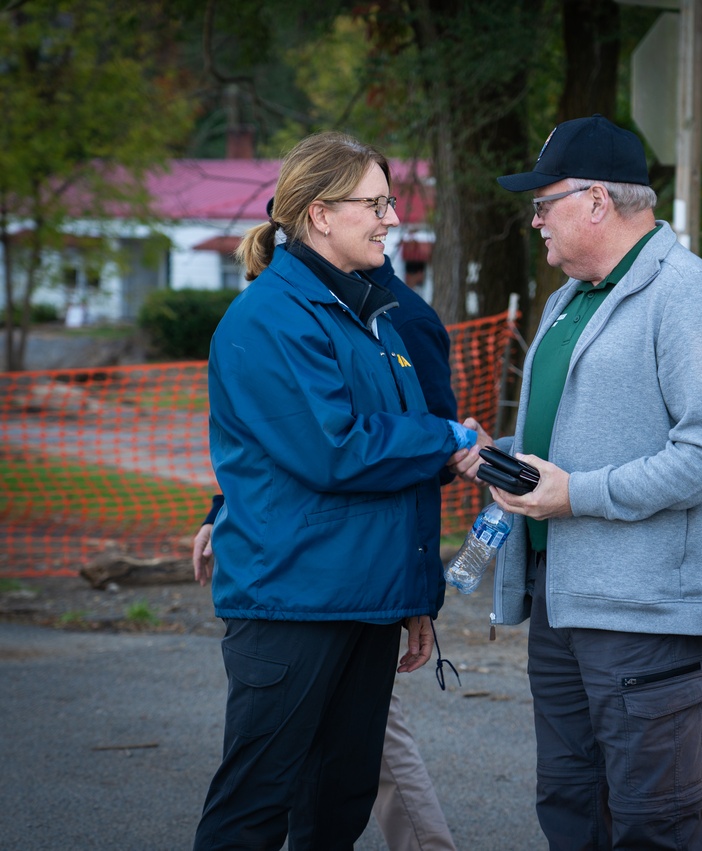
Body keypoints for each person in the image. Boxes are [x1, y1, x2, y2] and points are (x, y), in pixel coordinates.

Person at [451, 114, 702, 849]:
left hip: (643, 613)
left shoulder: (685, 293)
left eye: (543, 202)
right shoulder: (564, 301)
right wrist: (506, 455)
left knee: (654, 823)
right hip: (562, 599)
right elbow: (576, 438)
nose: (534, 220)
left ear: (595, 202)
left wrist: (574, 494)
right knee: (571, 805)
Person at [193, 131, 481, 850]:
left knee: (339, 803)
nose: (391, 218)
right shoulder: (270, 319)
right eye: (375, 203)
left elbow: (400, 459)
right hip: (294, 601)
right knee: (256, 806)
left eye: (391, 202)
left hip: (365, 601)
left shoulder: (372, 317)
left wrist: (414, 594)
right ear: (320, 213)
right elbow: (337, 450)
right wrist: (448, 439)